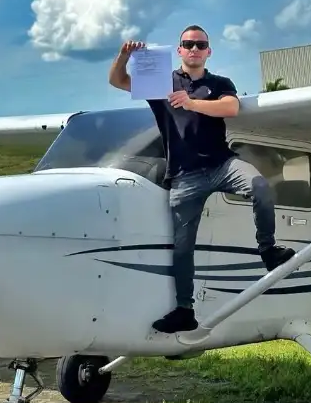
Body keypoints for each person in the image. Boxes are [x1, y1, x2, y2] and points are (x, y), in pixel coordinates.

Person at [108, 25, 295, 334]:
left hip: (222, 163)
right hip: (184, 175)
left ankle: (268, 250)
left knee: (260, 185)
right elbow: (118, 80)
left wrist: (192, 103)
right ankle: (185, 310)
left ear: (208, 51)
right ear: (179, 50)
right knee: (182, 247)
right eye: (187, 44)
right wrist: (123, 56)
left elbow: (231, 107)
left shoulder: (219, 83)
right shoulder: (161, 82)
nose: (193, 49)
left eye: (200, 44)